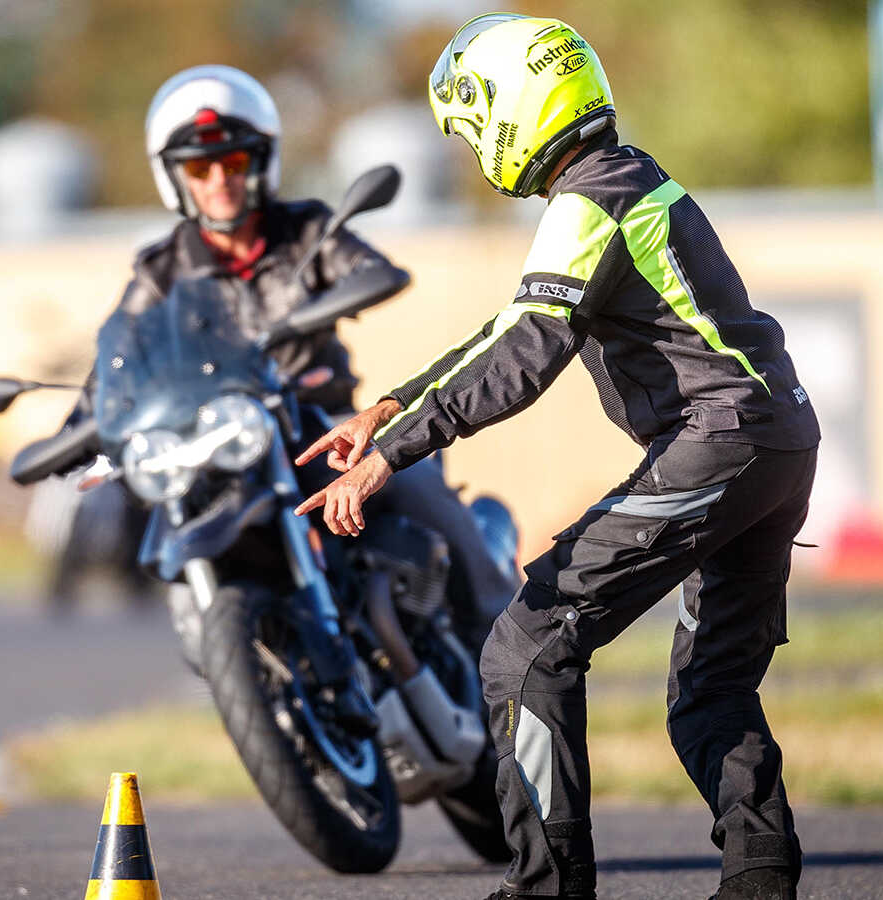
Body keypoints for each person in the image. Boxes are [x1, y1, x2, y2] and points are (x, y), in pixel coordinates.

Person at [293, 15, 819, 900]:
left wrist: (391, 455)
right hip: (775, 439)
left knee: (526, 647)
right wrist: (387, 407)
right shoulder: (619, 180)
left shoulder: (591, 198)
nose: (472, 154)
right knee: (708, 690)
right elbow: (516, 327)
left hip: (720, 442)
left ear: (508, 111)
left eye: (471, 131)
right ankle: (760, 880)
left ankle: (548, 889)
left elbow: (524, 358)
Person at [67, 65, 519, 722]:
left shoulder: (304, 230)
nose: (219, 180)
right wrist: (78, 427)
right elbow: (115, 357)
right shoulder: (161, 268)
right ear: (176, 178)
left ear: (260, 161)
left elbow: (375, 271)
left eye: (232, 161)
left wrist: (318, 307)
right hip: (226, 441)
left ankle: (505, 653)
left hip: (323, 423)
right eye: (201, 169)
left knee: (418, 487)